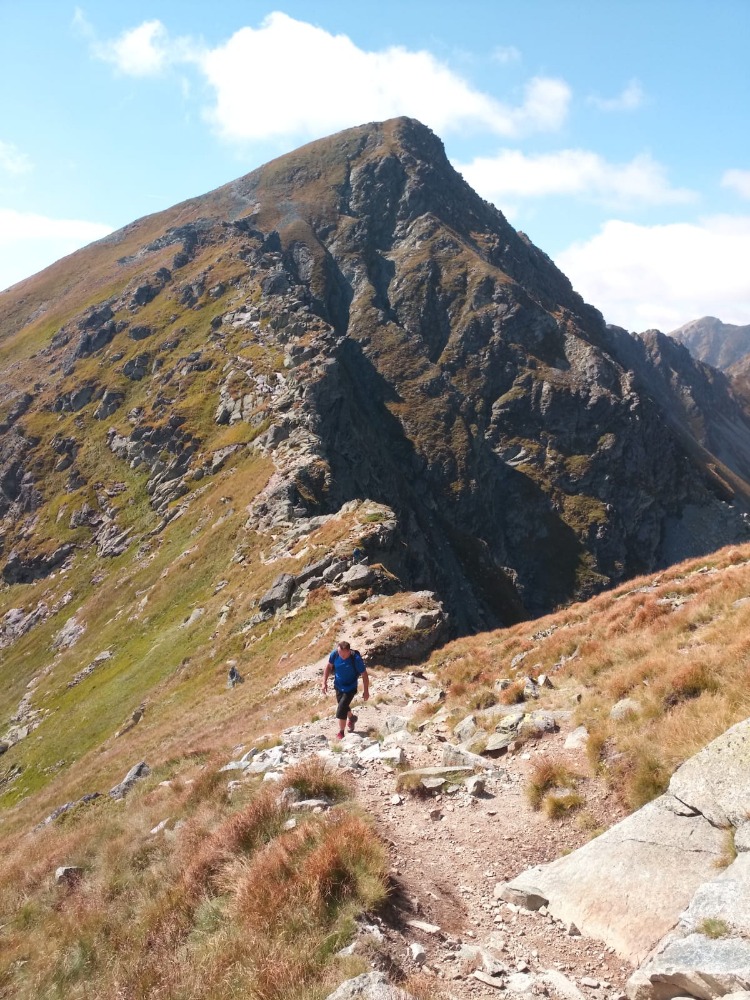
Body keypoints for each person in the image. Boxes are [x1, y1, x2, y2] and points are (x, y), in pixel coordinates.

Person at [322, 640, 369, 739]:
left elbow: (364, 674)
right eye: (339, 653)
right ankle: (352, 718)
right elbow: (328, 666)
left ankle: (341, 732)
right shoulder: (335, 654)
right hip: (338, 685)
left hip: (350, 687)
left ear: (348, 651)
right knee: (343, 705)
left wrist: (366, 691)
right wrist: (324, 682)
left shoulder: (355, 659)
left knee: (341, 708)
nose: (341, 656)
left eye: (343, 654)